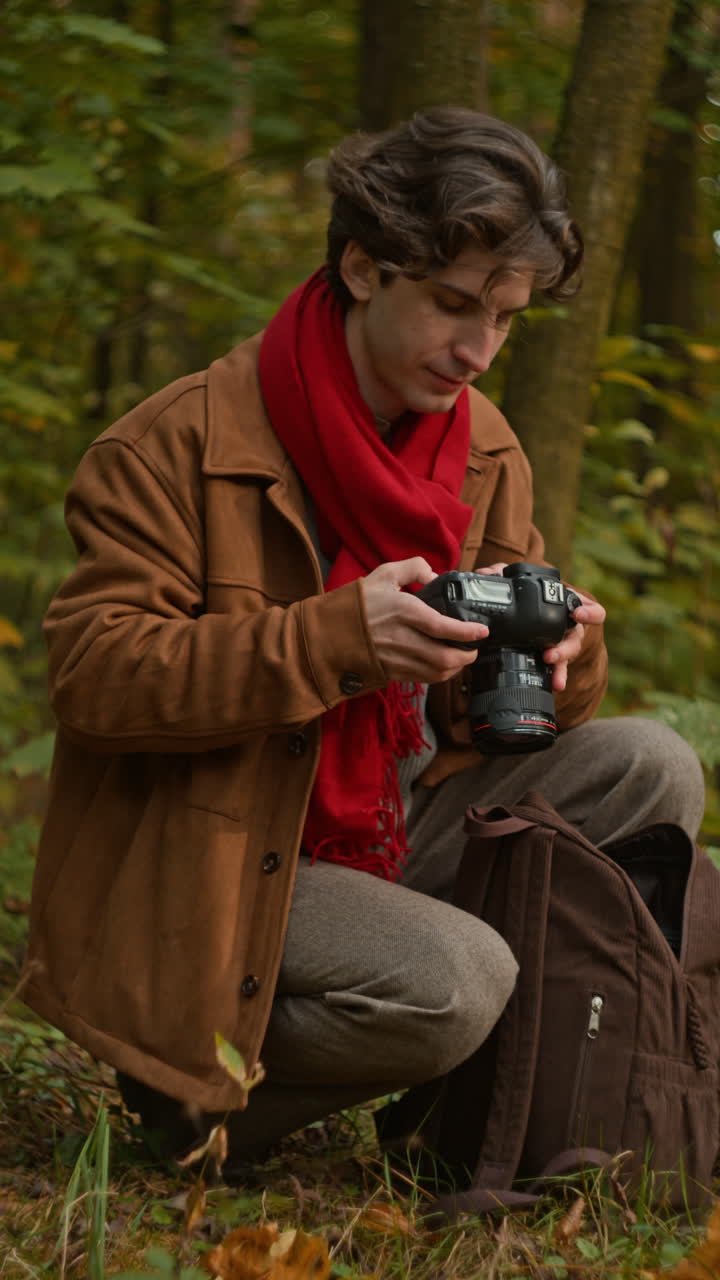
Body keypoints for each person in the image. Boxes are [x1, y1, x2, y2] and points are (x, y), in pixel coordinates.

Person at [23, 108, 705, 1167]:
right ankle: (202, 1096)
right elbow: (93, 677)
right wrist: (338, 638)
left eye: (508, 318)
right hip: (216, 867)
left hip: (394, 821)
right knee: (458, 976)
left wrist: (565, 655)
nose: (478, 348)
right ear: (361, 265)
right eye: (451, 305)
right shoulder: (179, 441)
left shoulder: (482, 449)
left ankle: (519, 1086)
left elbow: (493, 712)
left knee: (653, 764)